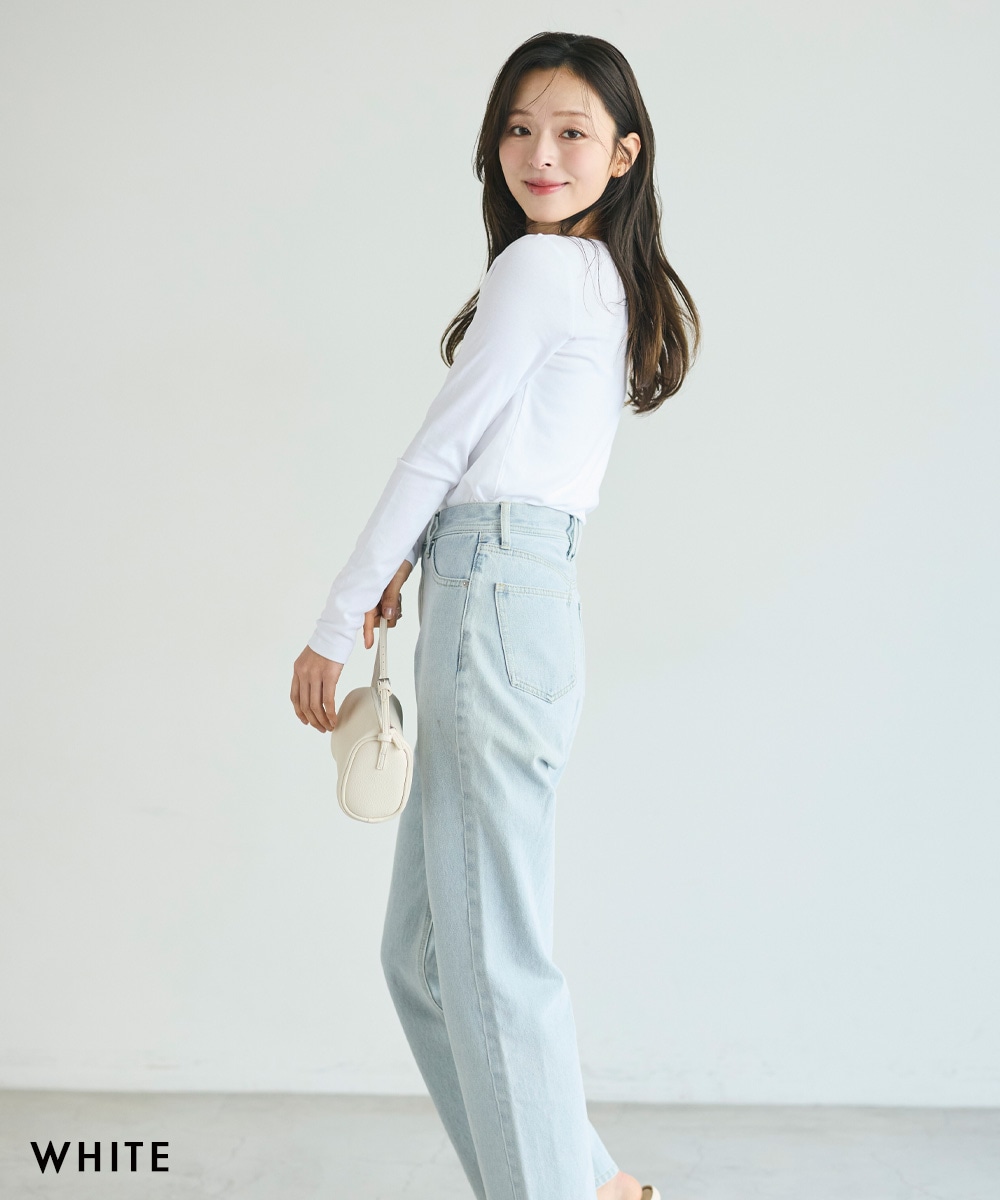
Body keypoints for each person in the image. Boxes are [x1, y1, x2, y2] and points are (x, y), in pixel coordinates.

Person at [290, 30, 700, 1200]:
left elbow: (442, 450)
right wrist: (412, 560)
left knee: (488, 959)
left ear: (624, 153)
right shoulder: (595, 277)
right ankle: (592, 1185)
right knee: (425, 957)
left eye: (571, 131)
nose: (539, 154)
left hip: (494, 603)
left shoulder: (541, 270)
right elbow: (490, 465)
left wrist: (334, 619)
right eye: (519, 129)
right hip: (511, 595)